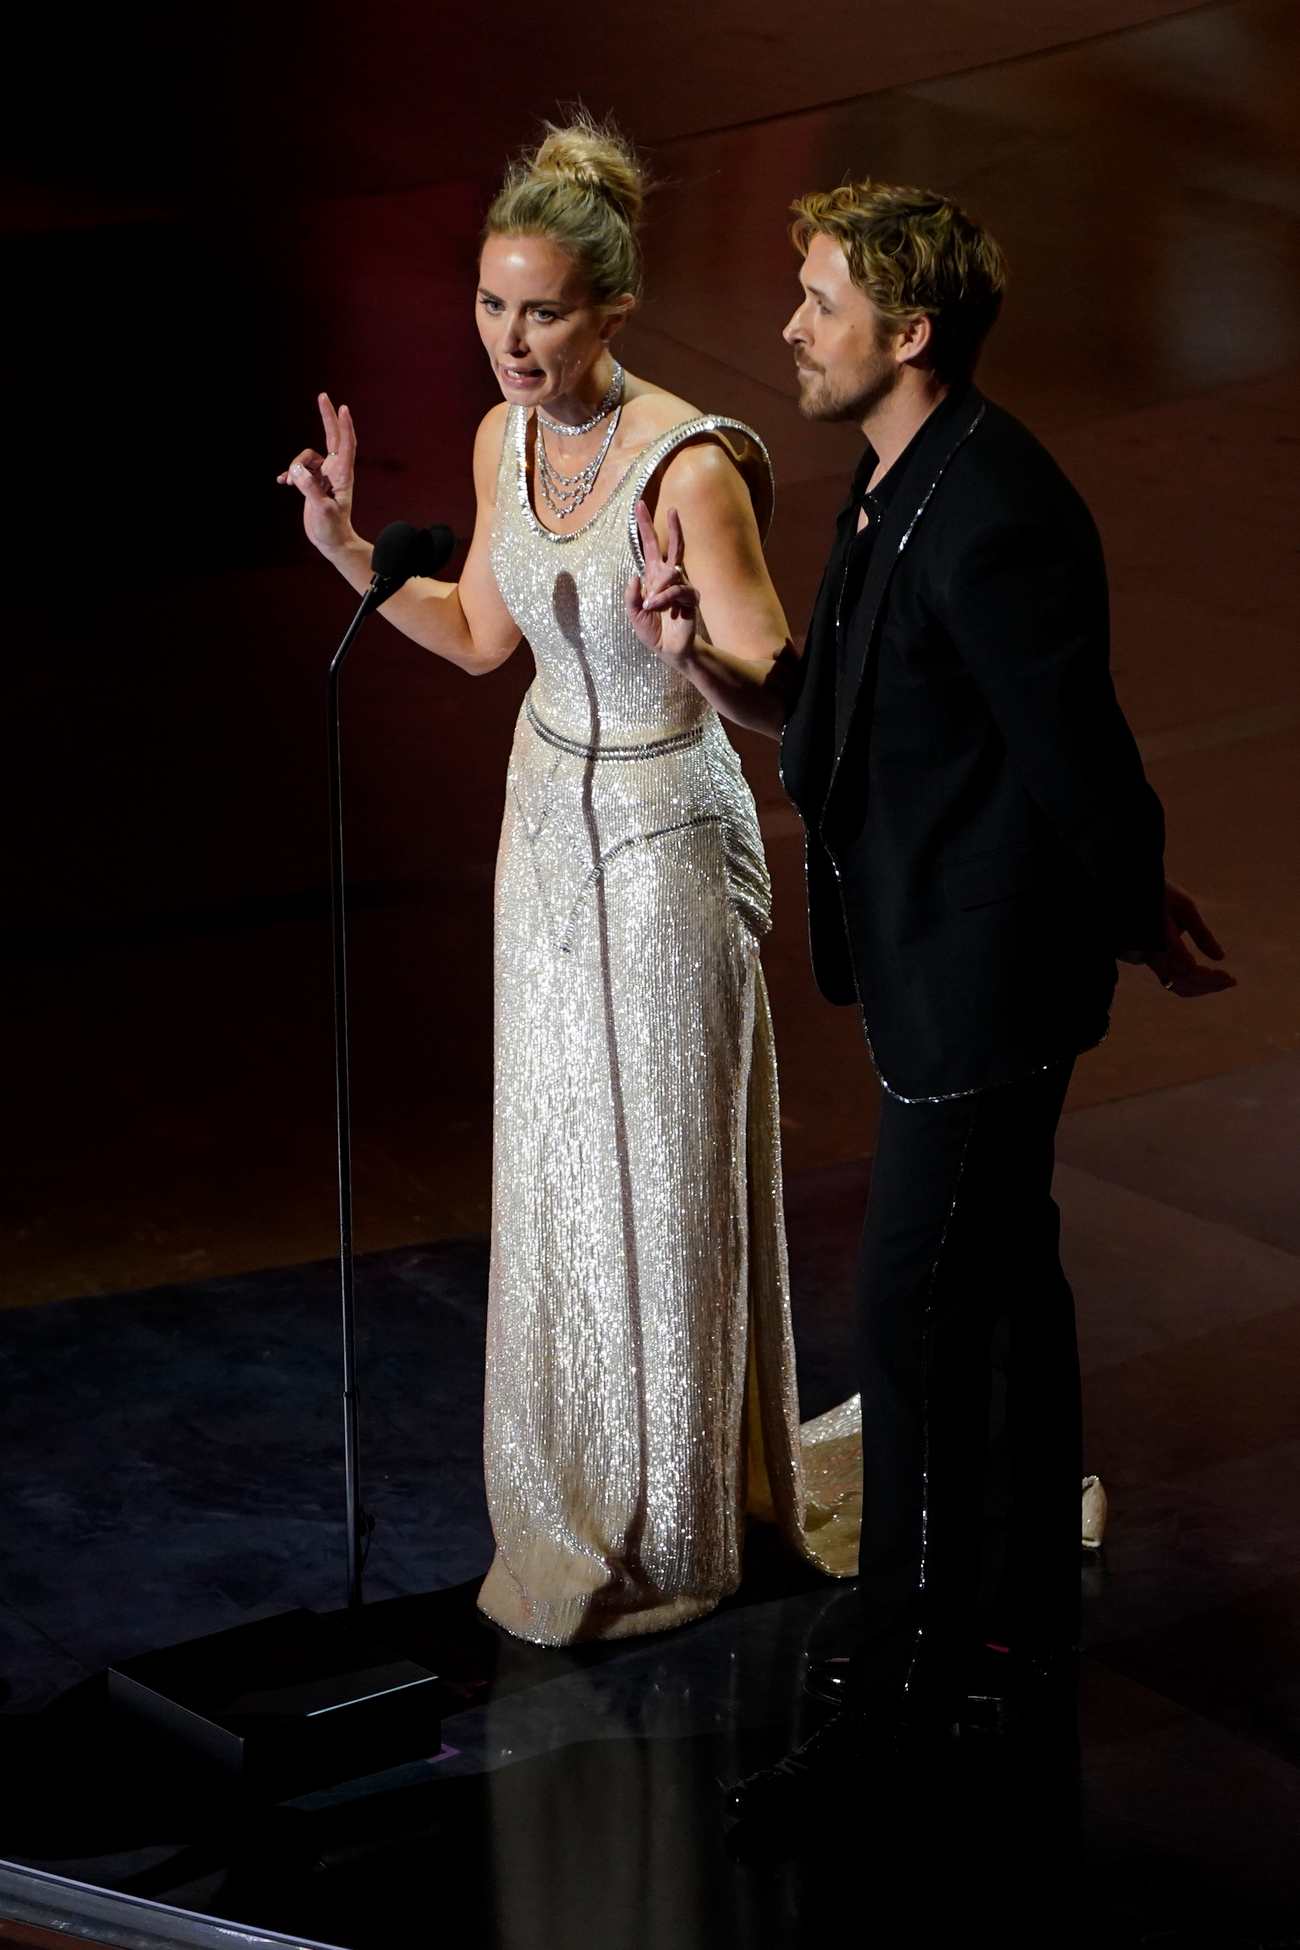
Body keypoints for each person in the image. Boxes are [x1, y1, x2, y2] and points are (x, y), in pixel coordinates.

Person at [626, 176, 1234, 1803]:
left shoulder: (993, 507)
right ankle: (1006, 1637)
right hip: (937, 972)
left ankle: (899, 1687)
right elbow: (839, 716)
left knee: (911, 1315)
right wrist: (695, 653)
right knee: (1003, 1304)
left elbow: (1074, 750)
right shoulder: (899, 483)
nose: (788, 327)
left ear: (908, 333)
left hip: (980, 994)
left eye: (817, 300)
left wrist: (1134, 908)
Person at [279, 116, 862, 1645]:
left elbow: (784, 692)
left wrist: (690, 650)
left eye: (539, 309)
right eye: (489, 304)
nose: (509, 339)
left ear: (611, 307)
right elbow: (482, 634)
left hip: (670, 837)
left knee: (662, 1175)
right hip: (542, 835)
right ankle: (581, 1477)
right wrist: (348, 551)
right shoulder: (498, 441)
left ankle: (677, 1515)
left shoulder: (691, 465)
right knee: (561, 1170)